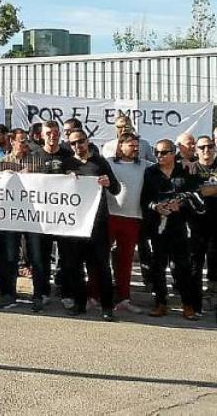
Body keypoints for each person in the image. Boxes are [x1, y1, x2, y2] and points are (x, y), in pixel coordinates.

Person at [60, 129, 120, 321]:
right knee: (75, 266)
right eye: (73, 143)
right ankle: (79, 304)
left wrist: (108, 182)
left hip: (98, 224)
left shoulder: (100, 163)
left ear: (87, 141)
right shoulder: (66, 164)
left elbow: (116, 189)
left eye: (81, 141)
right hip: (75, 224)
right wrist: (65, 180)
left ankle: (107, 307)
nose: (78, 145)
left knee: (102, 267)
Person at [141, 139, 201, 320]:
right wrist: (155, 207)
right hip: (157, 227)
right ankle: (160, 303)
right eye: (156, 152)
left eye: (163, 152)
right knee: (158, 266)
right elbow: (144, 199)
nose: (159, 156)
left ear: (173, 153)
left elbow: (195, 195)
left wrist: (181, 204)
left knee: (183, 267)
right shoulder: (150, 172)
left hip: (179, 226)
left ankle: (187, 305)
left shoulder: (186, 170)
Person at [0, 128, 48, 311]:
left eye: (26, 140)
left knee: (36, 257)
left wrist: (33, 175)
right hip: (11, 216)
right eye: (21, 140)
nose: (25, 143)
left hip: (33, 216)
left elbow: (48, 185)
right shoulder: (3, 163)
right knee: (11, 257)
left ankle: (38, 296)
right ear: (12, 142)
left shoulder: (37, 161)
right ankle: (9, 294)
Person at [30, 120, 73, 304]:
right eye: (48, 133)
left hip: (64, 216)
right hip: (41, 217)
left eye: (55, 132)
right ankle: (41, 293)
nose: (52, 136)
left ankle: (66, 293)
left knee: (67, 257)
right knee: (40, 257)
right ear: (41, 135)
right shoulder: (34, 156)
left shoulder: (68, 155)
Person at [105, 133, 149, 314]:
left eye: (137, 146)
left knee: (125, 261)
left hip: (133, 219)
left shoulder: (145, 166)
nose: (136, 148)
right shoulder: (108, 163)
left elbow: (166, 167)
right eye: (131, 145)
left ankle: (124, 298)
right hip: (110, 216)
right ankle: (94, 295)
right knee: (100, 258)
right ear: (120, 146)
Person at [190, 135, 217, 315]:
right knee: (195, 264)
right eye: (202, 147)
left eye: (210, 146)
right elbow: (193, 191)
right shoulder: (189, 169)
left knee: (215, 264)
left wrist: (203, 190)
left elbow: (201, 190)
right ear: (195, 150)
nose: (206, 150)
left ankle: (213, 297)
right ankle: (195, 303)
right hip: (196, 225)